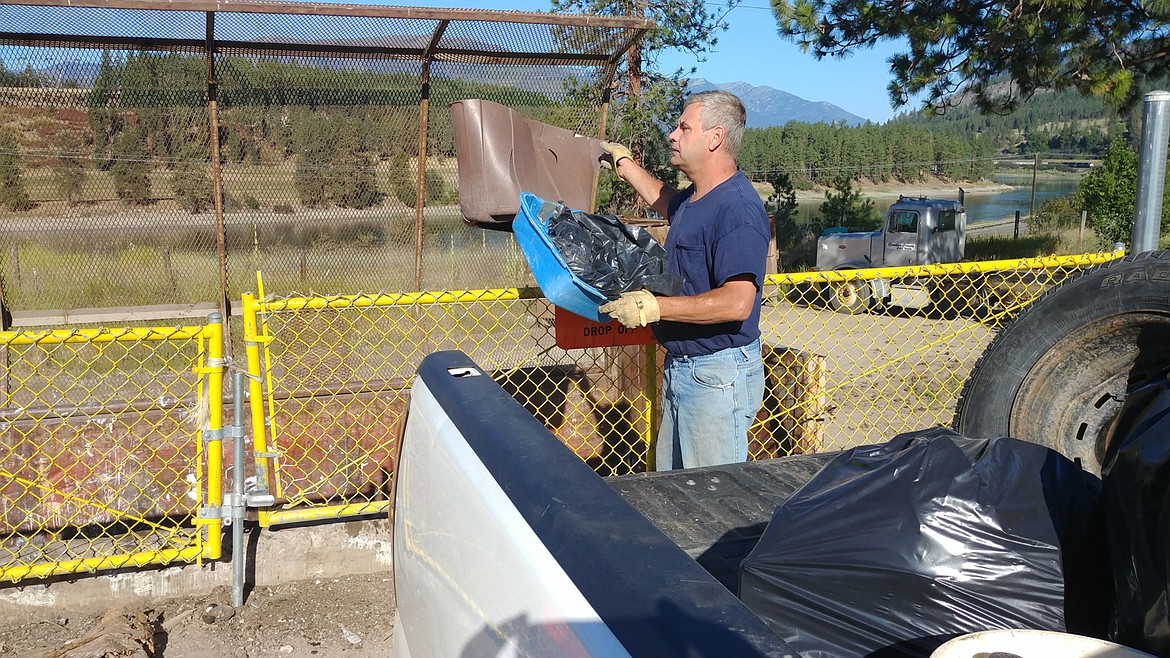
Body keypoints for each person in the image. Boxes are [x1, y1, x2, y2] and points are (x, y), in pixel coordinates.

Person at [597, 90, 770, 471]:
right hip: (686, 369)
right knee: (674, 492)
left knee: (709, 501)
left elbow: (737, 302)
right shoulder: (697, 198)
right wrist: (624, 164)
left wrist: (654, 306)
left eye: (683, 127)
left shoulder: (737, 209)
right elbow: (665, 200)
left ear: (715, 138)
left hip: (716, 376)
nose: (673, 135)